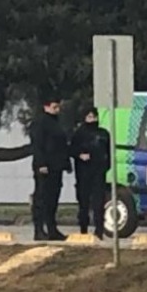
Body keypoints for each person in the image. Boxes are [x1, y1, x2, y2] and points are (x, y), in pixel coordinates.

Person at [30, 96, 71, 241]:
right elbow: (37, 145)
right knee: (41, 198)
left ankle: (52, 229)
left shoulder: (57, 123)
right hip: (44, 167)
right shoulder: (40, 123)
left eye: (58, 107)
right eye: (54, 107)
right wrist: (41, 164)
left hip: (56, 166)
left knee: (53, 199)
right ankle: (38, 229)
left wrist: (66, 163)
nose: (57, 110)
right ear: (46, 107)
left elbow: (62, 144)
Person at [69, 107, 111, 240]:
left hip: (99, 172)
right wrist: (79, 155)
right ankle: (83, 229)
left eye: (94, 117)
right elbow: (71, 149)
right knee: (84, 202)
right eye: (89, 117)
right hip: (83, 173)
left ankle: (99, 230)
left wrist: (105, 165)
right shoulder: (79, 134)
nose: (92, 119)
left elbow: (108, 152)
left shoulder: (103, 134)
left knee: (99, 202)